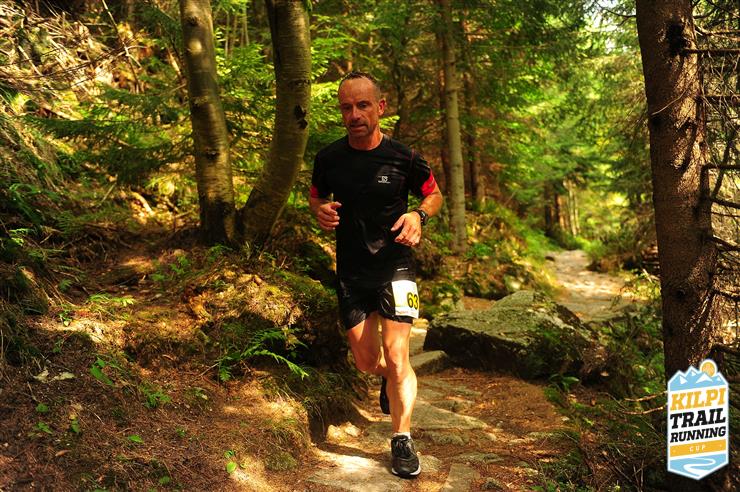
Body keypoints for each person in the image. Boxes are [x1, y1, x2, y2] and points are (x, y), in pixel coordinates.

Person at [309, 71, 443, 478]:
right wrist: (320, 211)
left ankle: (401, 438)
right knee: (369, 363)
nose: (355, 114)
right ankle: (390, 379)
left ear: (380, 107)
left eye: (363, 105)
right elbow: (316, 197)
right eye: (347, 107)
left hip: (396, 266)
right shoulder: (328, 159)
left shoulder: (405, 157)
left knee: (399, 355)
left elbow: (434, 194)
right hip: (352, 272)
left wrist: (418, 216)